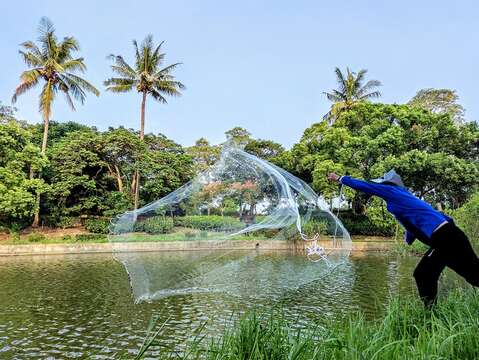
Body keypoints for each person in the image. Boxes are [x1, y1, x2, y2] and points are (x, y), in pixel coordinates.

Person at [328, 170, 479, 306]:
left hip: (445, 239)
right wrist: (410, 236)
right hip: (453, 236)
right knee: (473, 276)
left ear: (388, 184)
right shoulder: (403, 198)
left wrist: (340, 178)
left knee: (423, 274)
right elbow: (441, 219)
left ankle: (431, 317)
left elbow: (365, 186)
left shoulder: (392, 191)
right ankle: (432, 315)